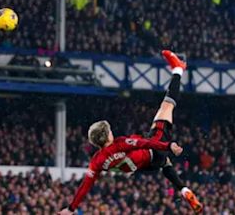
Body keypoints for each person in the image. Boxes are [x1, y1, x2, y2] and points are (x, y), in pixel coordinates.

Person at [58, 50, 203, 214]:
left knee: (165, 163)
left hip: (146, 167)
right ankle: (178, 69)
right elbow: (145, 142)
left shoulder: (97, 161)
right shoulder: (119, 144)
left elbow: (86, 185)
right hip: (153, 149)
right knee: (167, 105)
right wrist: (168, 145)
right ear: (107, 135)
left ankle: (184, 190)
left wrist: (71, 208)